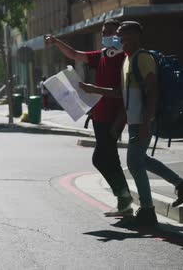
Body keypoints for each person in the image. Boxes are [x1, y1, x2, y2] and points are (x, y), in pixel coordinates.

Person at [80, 21, 183, 226]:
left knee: (134, 163)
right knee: (142, 159)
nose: (118, 40)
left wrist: (146, 122)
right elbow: (121, 93)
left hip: (143, 120)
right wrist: (94, 90)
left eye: (122, 36)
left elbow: (153, 91)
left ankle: (147, 210)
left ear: (134, 36)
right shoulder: (128, 60)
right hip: (135, 120)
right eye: (117, 36)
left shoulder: (142, 59)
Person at [45, 19, 133, 217]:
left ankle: (124, 197)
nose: (106, 36)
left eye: (110, 32)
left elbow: (123, 92)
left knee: (101, 159)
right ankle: (124, 201)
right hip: (99, 116)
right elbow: (75, 55)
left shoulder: (125, 59)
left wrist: (95, 91)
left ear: (119, 34)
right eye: (103, 33)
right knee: (109, 158)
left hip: (113, 117)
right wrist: (57, 42)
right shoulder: (102, 55)